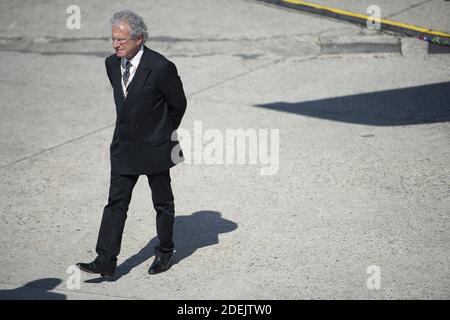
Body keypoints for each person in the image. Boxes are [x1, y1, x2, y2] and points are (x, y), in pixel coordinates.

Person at [77, 10, 186, 277]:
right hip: (124, 147)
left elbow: (178, 104)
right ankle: (105, 259)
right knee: (116, 203)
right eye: (113, 39)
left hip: (157, 145)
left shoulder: (160, 67)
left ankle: (165, 252)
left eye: (121, 40)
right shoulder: (112, 64)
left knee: (162, 202)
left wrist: (161, 131)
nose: (115, 45)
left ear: (138, 38)